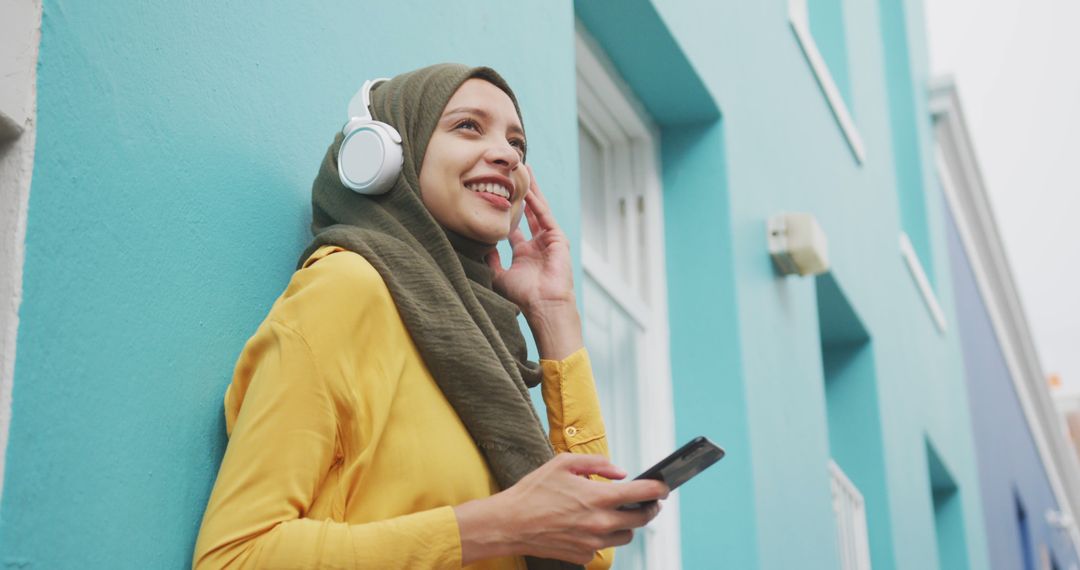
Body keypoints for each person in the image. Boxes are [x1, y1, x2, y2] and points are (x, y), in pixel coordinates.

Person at [192, 63, 668, 570]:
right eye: (468, 126)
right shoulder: (346, 288)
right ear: (387, 154)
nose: (508, 154)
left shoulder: (480, 342)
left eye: (518, 145)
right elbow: (233, 557)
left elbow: (589, 550)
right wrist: (494, 525)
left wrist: (554, 315)